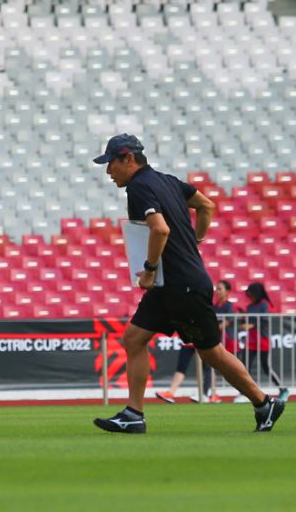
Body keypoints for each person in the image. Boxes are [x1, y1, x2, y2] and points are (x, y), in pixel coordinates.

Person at [91, 134, 284, 433]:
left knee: (212, 353)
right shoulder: (168, 181)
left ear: (128, 158)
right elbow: (206, 205)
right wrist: (196, 242)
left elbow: (160, 229)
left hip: (180, 284)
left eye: (111, 164)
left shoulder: (139, 187)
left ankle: (264, 403)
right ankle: (134, 414)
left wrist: (150, 269)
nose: (108, 172)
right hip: (174, 284)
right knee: (133, 338)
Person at [239, 282, 290, 402]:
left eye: (251, 294)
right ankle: (244, 392)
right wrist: (242, 316)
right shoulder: (250, 307)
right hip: (251, 341)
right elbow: (247, 320)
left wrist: (250, 326)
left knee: (266, 367)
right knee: (244, 367)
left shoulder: (264, 305)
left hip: (262, 340)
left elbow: (264, 322)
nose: (249, 297)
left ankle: (283, 389)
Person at [154, 339, 211, 404]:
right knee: (181, 367)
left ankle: (204, 394)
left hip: (204, 340)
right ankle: (170, 393)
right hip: (188, 340)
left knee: (208, 366)